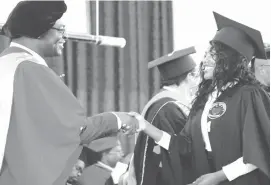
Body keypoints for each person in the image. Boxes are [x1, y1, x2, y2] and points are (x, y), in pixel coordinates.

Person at [0, 1, 139, 185]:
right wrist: (118, 119)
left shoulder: (7, 63)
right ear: (40, 29)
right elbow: (75, 130)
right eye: (61, 29)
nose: (65, 36)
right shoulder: (28, 69)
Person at [129, 12, 270, 185]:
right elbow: (184, 146)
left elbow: (260, 150)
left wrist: (218, 176)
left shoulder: (249, 94)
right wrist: (144, 126)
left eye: (215, 54)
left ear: (231, 60)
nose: (205, 60)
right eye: (207, 53)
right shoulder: (205, 100)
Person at [120, 47, 199, 185]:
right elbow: (182, 149)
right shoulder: (168, 109)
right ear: (189, 76)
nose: (197, 82)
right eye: (196, 76)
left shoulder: (162, 104)